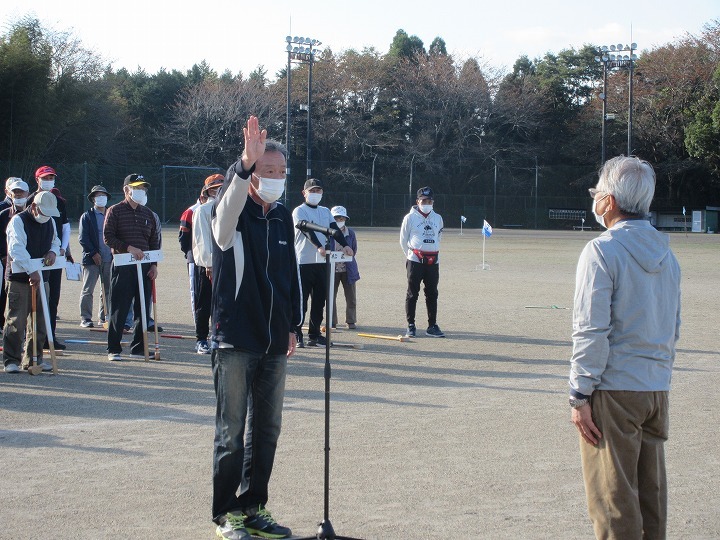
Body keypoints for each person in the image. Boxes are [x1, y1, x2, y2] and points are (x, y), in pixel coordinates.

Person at [569, 156, 681, 539]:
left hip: (614, 389)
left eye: (597, 194)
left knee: (613, 502)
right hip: (655, 387)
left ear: (610, 201)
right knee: (651, 497)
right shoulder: (668, 255)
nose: (595, 201)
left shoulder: (602, 250)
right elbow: (673, 325)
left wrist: (579, 393)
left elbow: (590, 328)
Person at [210, 116, 301, 539]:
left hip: (273, 342)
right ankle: (226, 513)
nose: (276, 179)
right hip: (235, 339)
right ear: (250, 174)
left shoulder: (283, 217)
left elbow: (290, 277)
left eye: (281, 172)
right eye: (268, 171)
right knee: (231, 432)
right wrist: (244, 165)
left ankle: (254, 506)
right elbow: (222, 223)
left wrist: (293, 326)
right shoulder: (231, 210)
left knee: (267, 429)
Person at [103, 174, 161, 361]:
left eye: (143, 188)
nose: (141, 191)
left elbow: (154, 241)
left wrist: (153, 265)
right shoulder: (115, 211)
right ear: (126, 189)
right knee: (119, 308)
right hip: (123, 266)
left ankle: (139, 347)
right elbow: (108, 237)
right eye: (137, 188)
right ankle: (114, 348)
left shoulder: (148, 214)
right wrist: (128, 248)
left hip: (144, 267)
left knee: (143, 309)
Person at [2, 191, 61, 373]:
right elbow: (16, 248)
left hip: (42, 277)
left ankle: (34, 358)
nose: (46, 217)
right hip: (19, 279)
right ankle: (11, 359)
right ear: (34, 207)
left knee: (41, 322)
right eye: (43, 213)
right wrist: (31, 269)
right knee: (16, 321)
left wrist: (53, 252)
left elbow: (55, 241)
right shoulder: (18, 221)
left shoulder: (50, 221)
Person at [292, 178, 353, 347]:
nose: (315, 194)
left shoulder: (325, 211)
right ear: (304, 193)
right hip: (303, 261)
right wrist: (318, 246)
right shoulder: (299, 211)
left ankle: (314, 334)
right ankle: (297, 333)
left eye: (318, 191)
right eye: (312, 191)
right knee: (301, 300)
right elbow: (306, 231)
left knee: (320, 300)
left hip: (322, 262)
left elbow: (335, 231)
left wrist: (346, 245)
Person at [26, 166, 72, 350]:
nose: (49, 180)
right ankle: (33, 338)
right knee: (34, 299)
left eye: (52, 177)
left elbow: (66, 227)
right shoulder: (30, 201)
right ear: (37, 179)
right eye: (45, 177)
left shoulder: (59, 201)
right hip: (35, 259)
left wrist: (62, 248)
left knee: (53, 297)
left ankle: (50, 337)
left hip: (55, 256)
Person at [399, 186, 445, 338]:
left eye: (429, 201)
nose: (427, 203)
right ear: (417, 201)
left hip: (433, 261)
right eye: (424, 200)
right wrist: (412, 256)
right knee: (413, 293)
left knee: (432, 293)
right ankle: (410, 325)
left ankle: (432, 325)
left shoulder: (438, 218)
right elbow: (403, 240)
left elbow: (439, 238)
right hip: (415, 260)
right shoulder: (409, 218)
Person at [190, 174, 224, 354]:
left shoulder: (232, 207)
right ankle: (201, 339)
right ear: (208, 190)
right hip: (209, 266)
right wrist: (209, 264)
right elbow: (201, 239)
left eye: (222, 186)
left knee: (224, 303)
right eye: (215, 188)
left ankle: (220, 336)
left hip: (229, 264)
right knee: (205, 302)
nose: (219, 190)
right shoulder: (203, 210)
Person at [78, 185, 112, 328]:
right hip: (92, 259)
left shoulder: (111, 214)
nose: (101, 198)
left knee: (107, 289)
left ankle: (104, 317)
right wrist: (93, 253)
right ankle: (85, 318)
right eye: (98, 196)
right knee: (88, 289)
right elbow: (83, 238)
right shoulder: (87, 216)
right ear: (93, 199)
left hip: (109, 258)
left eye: (103, 195)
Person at [0, 178, 30, 332]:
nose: (18, 196)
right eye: (15, 193)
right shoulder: (4, 214)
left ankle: (25, 332)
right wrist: (3, 256)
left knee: (28, 305)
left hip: (30, 266)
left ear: (27, 193)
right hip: (9, 267)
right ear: (10, 195)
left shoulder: (33, 215)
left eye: (21, 193)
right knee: (9, 300)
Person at [329, 205, 360, 329]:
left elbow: (354, 249)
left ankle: (351, 320)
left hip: (348, 269)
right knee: (331, 296)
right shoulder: (327, 232)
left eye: (342, 218)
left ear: (345, 219)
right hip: (332, 269)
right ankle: (332, 321)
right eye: (336, 218)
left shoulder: (350, 233)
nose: (339, 220)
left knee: (351, 297)